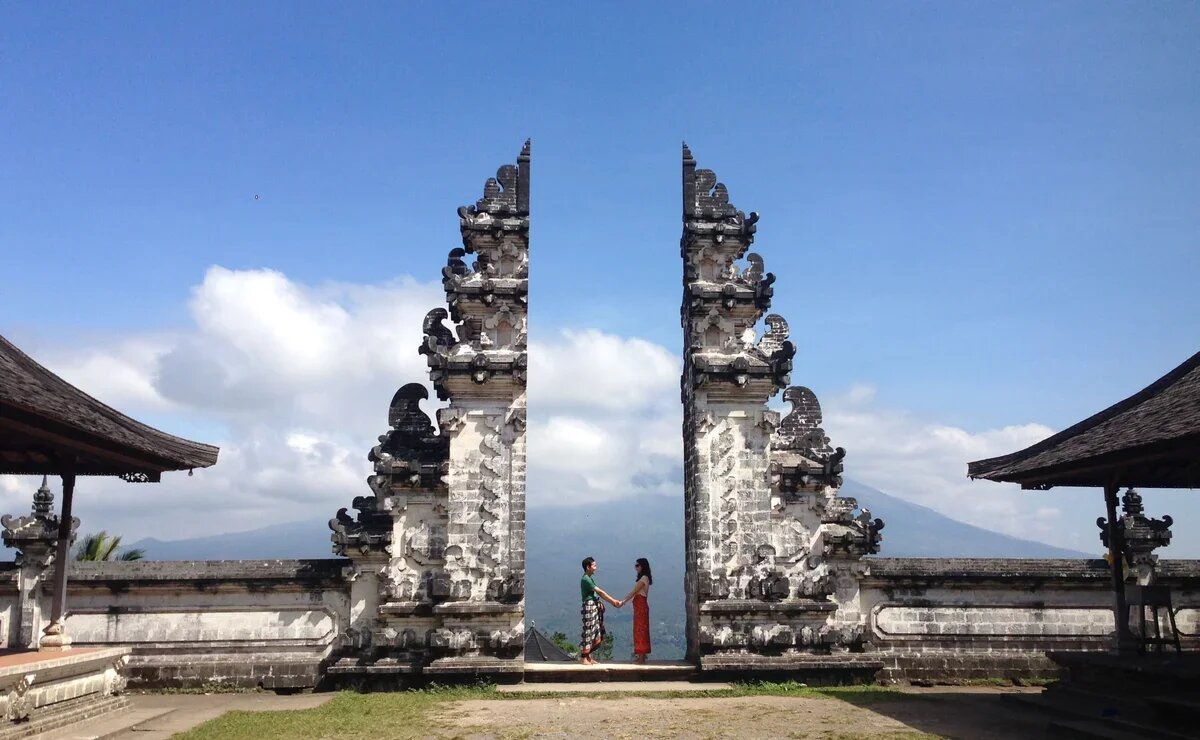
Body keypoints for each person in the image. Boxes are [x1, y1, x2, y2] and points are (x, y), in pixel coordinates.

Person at [579, 556, 621, 665]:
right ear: (588, 567)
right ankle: (584, 657)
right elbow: (600, 592)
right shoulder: (586, 579)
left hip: (593, 606)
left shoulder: (589, 578)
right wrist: (613, 601)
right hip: (589, 606)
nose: (596, 568)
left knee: (595, 631)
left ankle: (588, 656)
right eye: (594, 565)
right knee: (588, 631)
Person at [619, 557, 653, 663]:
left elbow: (634, 591)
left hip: (641, 607)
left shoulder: (644, 578)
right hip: (639, 607)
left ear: (642, 566)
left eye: (637, 565)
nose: (636, 567)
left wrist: (623, 601)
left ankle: (642, 657)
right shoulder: (643, 578)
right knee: (638, 630)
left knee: (641, 631)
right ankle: (640, 655)